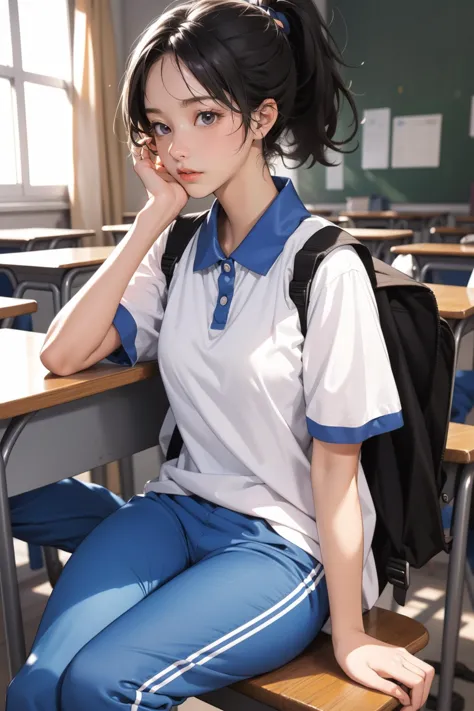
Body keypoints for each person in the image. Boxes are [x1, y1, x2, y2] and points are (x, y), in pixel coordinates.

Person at [7, 1, 434, 709]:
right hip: (177, 507)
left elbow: (336, 474)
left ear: (262, 118)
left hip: (282, 543)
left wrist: (352, 630)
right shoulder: (177, 251)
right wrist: (154, 216)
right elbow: (63, 351)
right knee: (38, 685)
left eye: (205, 117)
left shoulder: (325, 268)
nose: (179, 147)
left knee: (96, 684)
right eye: (161, 125)